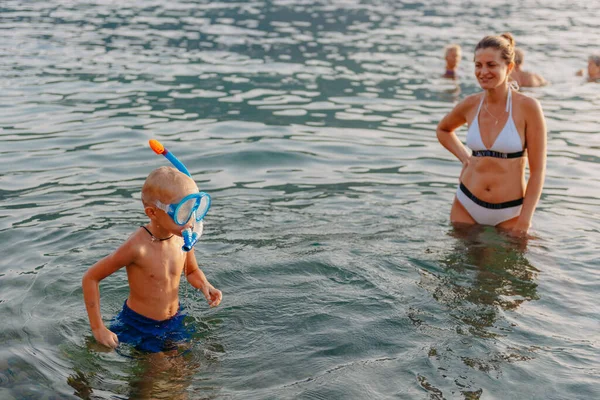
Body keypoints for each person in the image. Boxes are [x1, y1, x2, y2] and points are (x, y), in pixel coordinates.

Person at [82, 165, 222, 351]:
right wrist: (98, 328)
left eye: (192, 209)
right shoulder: (137, 247)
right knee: (158, 375)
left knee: (190, 368)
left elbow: (192, 271)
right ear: (153, 213)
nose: (190, 220)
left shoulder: (182, 238)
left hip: (174, 320)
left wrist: (205, 285)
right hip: (141, 325)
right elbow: (91, 278)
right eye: (182, 212)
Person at [436, 33, 547, 235]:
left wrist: (525, 221)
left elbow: (538, 171)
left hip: (509, 212)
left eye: (491, 65)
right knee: (455, 266)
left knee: (502, 267)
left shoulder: (528, 107)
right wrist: (465, 158)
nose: (483, 72)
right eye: (478, 65)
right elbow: (443, 130)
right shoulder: (471, 104)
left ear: (509, 67)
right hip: (465, 204)